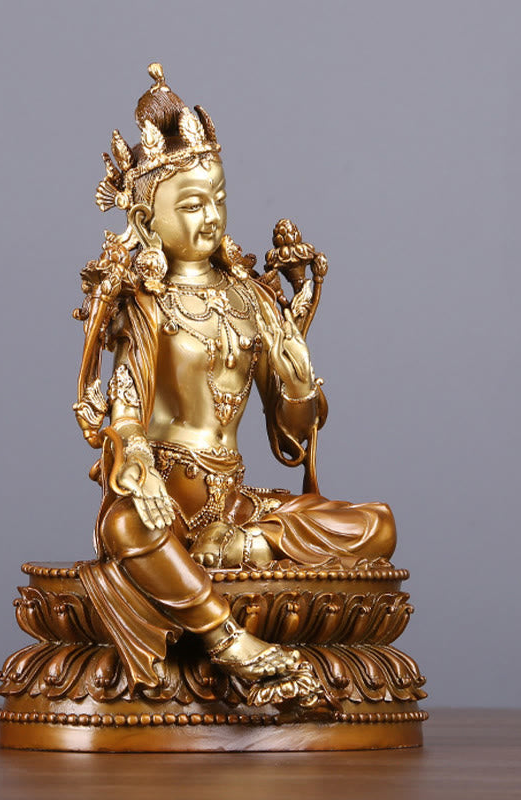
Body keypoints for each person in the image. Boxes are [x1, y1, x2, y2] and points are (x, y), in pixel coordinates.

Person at [73, 64, 395, 701]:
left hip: (235, 508)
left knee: (375, 526)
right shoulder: (146, 303)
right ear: (145, 217)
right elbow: (125, 407)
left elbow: (292, 440)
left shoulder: (251, 298)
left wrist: (297, 382)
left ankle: (239, 549)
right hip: (165, 500)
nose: (211, 217)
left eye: (218, 199)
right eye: (191, 205)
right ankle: (230, 639)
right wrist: (135, 460)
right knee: (123, 530)